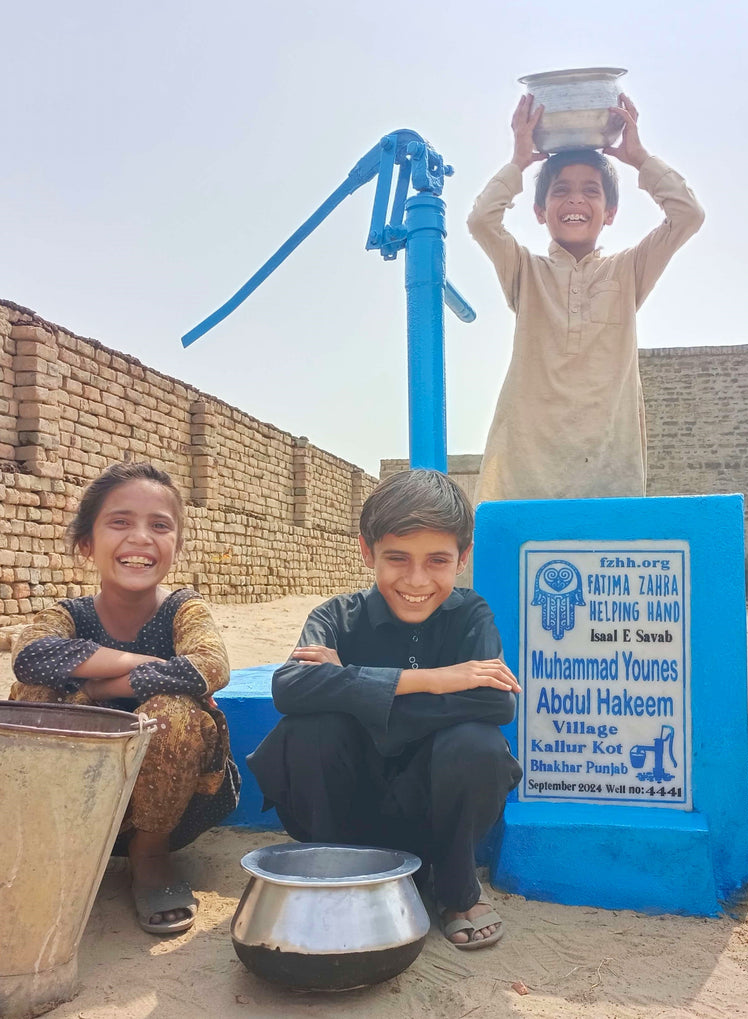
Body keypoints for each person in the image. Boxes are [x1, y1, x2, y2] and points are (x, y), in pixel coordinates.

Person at [247, 469, 522, 949]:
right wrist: (433, 681)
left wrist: (353, 689)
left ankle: (455, 891)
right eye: (397, 558)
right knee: (311, 729)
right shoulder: (335, 615)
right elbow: (290, 688)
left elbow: (495, 700)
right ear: (366, 551)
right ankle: (336, 876)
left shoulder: (470, 615)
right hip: (344, 809)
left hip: (431, 811)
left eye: (437, 560)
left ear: (462, 559)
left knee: (475, 742)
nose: (416, 580)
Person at [10, 462, 240, 934]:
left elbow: (208, 666)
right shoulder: (68, 615)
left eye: (160, 526)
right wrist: (140, 665)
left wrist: (100, 686)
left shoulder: (183, 608)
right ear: (87, 544)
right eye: (120, 522)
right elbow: (31, 658)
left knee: (172, 714)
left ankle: (149, 858)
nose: (140, 538)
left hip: (176, 809)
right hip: (79, 802)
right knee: (31, 695)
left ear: (176, 546)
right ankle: (51, 844)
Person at [467, 93, 705, 503]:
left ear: (610, 212)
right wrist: (519, 161)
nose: (576, 200)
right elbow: (481, 220)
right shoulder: (526, 271)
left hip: (609, 472)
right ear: (540, 210)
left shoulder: (628, 271)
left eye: (591, 191)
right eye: (561, 190)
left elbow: (688, 214)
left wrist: (640, 158)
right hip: (527, 470)